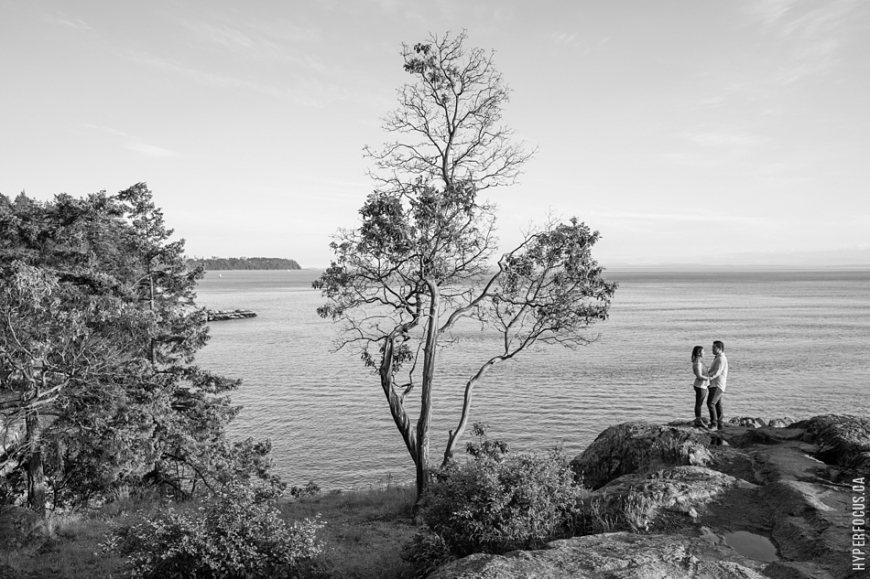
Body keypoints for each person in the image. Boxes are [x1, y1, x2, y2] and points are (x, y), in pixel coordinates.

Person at [706, 340, 729, 430]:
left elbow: (717, 372)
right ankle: (720, 423)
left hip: (717, 384)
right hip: (716, 384)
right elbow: (713, 371)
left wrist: (707, 378)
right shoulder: (718, 357)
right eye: (712, 347)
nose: (712, 349)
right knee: (718, 404)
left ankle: (714, 423)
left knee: (710, 403)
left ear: (719, 349)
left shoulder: (721, 359)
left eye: (714, 348)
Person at [691, 345, 710, 427]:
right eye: (703, 351)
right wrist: (709, 378)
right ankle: (698, 419)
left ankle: (698, 418)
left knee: (699, 403)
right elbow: (699, 376)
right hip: (700, 386)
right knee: (699, 404)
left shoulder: (699, 362)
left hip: (701, 385)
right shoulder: (698, 363)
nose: (704, 353)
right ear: (699, 353)